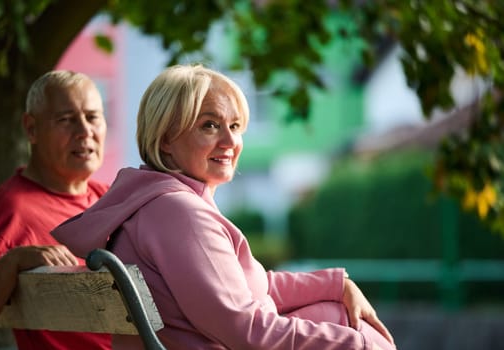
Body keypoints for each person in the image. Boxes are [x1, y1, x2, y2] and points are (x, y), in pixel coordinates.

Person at [52, 64, 397, 350]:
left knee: (337, 311)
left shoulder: (156, 202)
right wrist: (360, 345)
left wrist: (337, 285)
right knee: (351, 327)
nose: (231, 142)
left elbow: (251, 289)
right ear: (166, 139)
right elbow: (244, 329)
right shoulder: (178, 214)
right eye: (210, 125)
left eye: (234, 126)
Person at [0, 70, 112, 349]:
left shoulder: (112, 198)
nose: (85, 131)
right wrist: (12, 261)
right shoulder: (11, 210)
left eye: (92, 117)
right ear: (31, 128)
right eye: (66, 120)